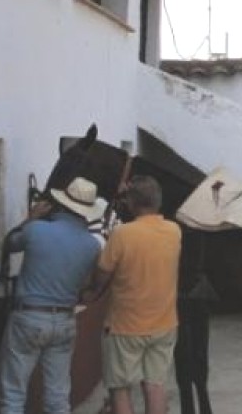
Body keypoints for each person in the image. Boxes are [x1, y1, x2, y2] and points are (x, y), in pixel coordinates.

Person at [0, 177, 106, 414]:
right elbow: (88, 283)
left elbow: (9, 244)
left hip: (29, 316)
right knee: (57, 396)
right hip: (65, 320)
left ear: (60, 203)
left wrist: (32, 217)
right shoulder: (92, 245)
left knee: (13, 393)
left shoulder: (36, 230)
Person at [82, 175, 181, 414]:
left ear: (132, 203)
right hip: (165, 324)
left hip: (126, 326)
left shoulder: (122, 234)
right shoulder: (174, 231)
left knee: (120, 387)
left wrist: (91, 290)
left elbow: (102, 276)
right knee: (155, 384)